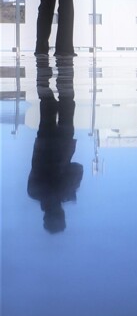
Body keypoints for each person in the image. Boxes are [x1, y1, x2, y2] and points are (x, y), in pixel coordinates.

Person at [28, 60, 82, 233]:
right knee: (46, 102)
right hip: (43, 144)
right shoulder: (34, 192)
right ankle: (42, 66)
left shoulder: (63, 193)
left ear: (61, 214)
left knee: (67, 102)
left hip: (63, 145)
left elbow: (78, 168)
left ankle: (63, 69)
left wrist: (71, 190)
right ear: (45, 217)